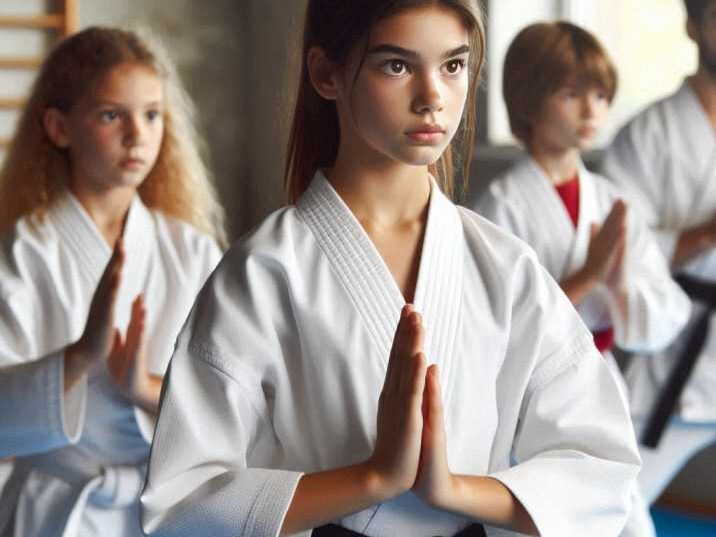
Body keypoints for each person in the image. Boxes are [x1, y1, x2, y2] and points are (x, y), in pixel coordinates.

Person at [141, 2, 640, 536]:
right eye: (397, 66)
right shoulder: (264, 272)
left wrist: (452, 489)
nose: (433, 98)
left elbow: (601, 463)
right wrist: (373, 478)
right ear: (325, 74)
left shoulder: (505, 266)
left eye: (452, 66)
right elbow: (183, 503)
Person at [0, 27, 225, 537]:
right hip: (58, 512)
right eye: (110, 115)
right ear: (59, 127)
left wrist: (143, 387)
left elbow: (239, 405)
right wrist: (79, 357)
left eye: (151, 115)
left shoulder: (191, 252)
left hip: (165, 510)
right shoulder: (24, 253)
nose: (136, 134)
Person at [476, 21, 692, 536]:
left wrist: (617, 288)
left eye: (599, 94)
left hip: (598, 381)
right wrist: (585, 276)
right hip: (526, 400)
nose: (592, 109)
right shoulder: (500, 205)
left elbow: (666, 309)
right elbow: (491, 327)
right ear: (528, 100)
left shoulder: (609, 200)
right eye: (572, 94)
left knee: (625, 518)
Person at [601, 0, 716, 518]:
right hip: (680, 353)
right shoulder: (648, 134)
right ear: (694, 27)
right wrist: (708, 232)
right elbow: (622, 248)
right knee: (612, 504)